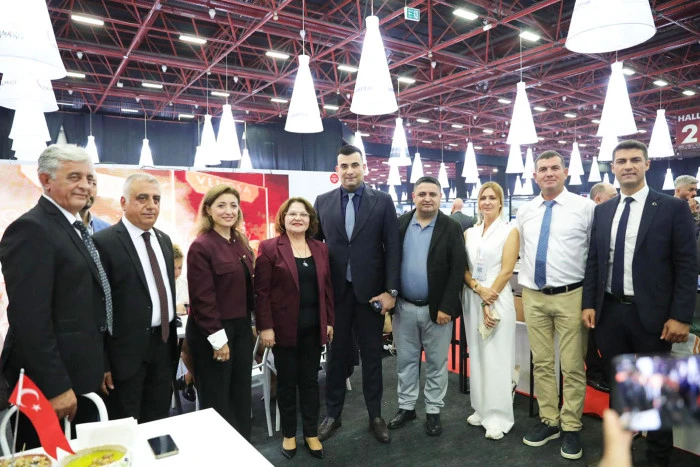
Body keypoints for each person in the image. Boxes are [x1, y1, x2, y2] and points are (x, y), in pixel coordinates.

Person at [582, 140, 696, 466]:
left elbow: (687, 265)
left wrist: (681, 316)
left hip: (655, 316)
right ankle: (619, 455)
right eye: (621, 161)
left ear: (647, 164)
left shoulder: (671, 208)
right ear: (613, 168)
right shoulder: (604, 210)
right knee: (619, 390)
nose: (628, 165)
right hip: (610, 313)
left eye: (635, 159)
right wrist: (589, 303)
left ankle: (658, 459)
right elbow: (595, 261)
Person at [0, 144, 110, 448]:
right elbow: (29, 320)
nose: (85, 185)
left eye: (89, 178)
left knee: (80, 457)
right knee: (48, 456)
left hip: (79, 376)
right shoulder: (31, 229)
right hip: (49, 386)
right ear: (45, 180)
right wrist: (55, 387)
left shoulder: (72, 226)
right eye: (74, 177)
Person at [314, 145, 401, 444]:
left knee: (373, 358)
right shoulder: (323, 202)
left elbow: (393, 248)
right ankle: (333, 415)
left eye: (354, 165)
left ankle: (375, 415)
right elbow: (314, 248)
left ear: (364, 167)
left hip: (371, 296)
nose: (349, 170)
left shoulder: (382, 201)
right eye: (344, 166)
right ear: (336, 170)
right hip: (337, 295)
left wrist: (391, 291)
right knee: (336, 358)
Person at [515, 150, 595, 460]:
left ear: (565, 173)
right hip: (534, 295)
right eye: (543, 169)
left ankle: (571, 424)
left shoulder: (585, 208)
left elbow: (595, 255)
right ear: (535, 175)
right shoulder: (526, 210)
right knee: (542, 362)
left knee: (572, 365)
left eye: (555, 168)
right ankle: (550, 420)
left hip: (571, 295)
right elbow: (523, 250)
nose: (549, 173)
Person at [93, 173, 177, 423]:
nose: (151, 205)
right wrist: (102, 362)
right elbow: (96, 307)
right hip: (124, 355)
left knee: (159, 420)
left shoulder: (164, 240)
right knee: (126, 424)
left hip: (163, 346)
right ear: (123, 202)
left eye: (156, 199)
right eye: (142, 198)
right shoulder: (103, 243)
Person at [255, 197, 335, 459]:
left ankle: (311, 433)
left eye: (303, 214)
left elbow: (327, 289)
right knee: (287, 383)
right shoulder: (269, 248)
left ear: (310, 220)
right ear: (283, 218)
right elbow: (262, 293)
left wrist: (329, 321)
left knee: (310, 382)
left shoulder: (320, 248)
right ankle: (289, 434)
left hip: (313, 329)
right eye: (292, 214)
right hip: (283, 331)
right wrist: (266, 327)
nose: (298, 218)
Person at [387, 176, 466, 437]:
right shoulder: (400, 224)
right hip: (404, 308)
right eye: (422, 194)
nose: (427, 198)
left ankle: (433, 410)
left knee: (436, 363)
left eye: (433, 194)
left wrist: (447, 307)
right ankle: (407, 407)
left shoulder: (451, 227)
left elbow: (457, 269)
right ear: (413, 196)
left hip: (438, 311)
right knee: (406, 362)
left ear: (441, 197)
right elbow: (389, 262)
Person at [186, 184, 255, 440]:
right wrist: (218, 340)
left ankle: (242, 449)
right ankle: (219, 452)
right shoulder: (202, 246)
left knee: (241, 394)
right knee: (217, 399)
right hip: (214, 332)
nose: (229, 211)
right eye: (221, 205)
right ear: (208, 210)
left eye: (233, 206)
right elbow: (202, 299)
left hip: (241, 328)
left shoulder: (240, 242)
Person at [462, 182, 519, 440]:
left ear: (500, 202)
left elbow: (507, 270)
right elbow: (464, 269)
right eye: (483, 198)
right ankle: (481, 408)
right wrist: (477, 288)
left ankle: (499, 415)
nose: (487, 202)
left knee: (497, 356)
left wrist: (488, 298)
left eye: (492, 198)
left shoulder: (510, 231)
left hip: (497, 298)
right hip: (473, 296)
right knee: (477, 353)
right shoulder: (470, 233)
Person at [585, 182, 618, 393]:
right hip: (588, 286)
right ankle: (595, 374)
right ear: (598, 199)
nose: (617, 198)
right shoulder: (588, 217)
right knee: (590, 336)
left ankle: (606, 373)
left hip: (608, 289)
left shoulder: (612, 217)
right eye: (613, 195)